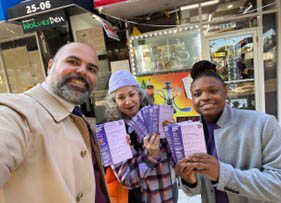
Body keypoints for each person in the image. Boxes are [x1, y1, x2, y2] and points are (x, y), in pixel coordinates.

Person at [0, 42, 110, 203]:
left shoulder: (76, 116)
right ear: (50, 66)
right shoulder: (15, 113)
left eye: (91, 69)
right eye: (73, 62)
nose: (82, 72)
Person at [176, 60, 281, 203]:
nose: (205, 97)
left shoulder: (263, 124)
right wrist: (189, 180)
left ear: (225, 92)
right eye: (197, 93)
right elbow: (199, 189)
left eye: (213, 91)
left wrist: (222, 174)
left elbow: (277, 185)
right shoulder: (193, 133)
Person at [104, 70, 178, 203]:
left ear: (139, 94)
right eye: (121, 97)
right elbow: (126, 179)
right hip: (141, 198)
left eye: (132, 94)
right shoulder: (114, 132)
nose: (128, 101)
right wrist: (150, 155)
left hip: (168, 193)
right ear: (114, 102)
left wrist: (174, 136)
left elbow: (177, 161)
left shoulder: (158, 116)